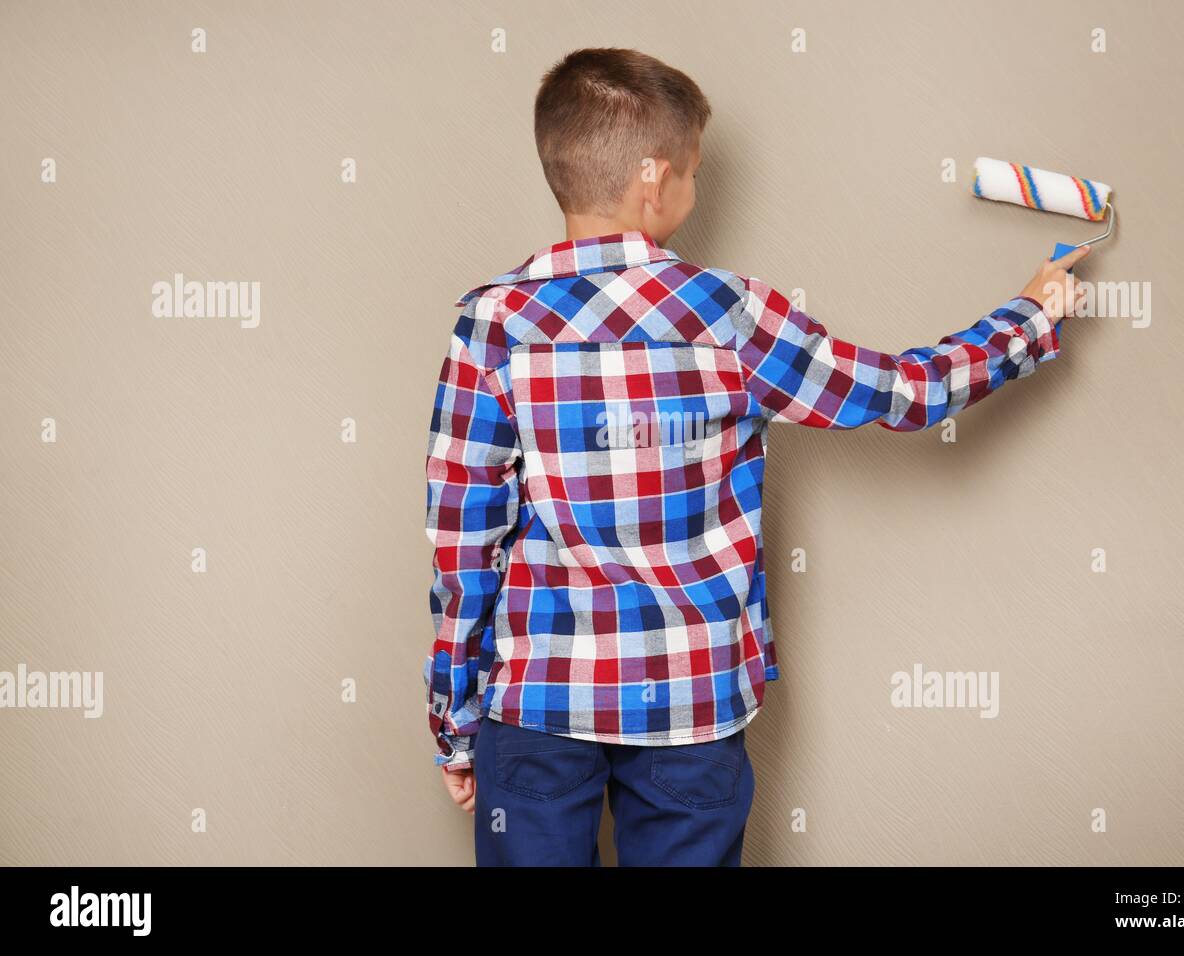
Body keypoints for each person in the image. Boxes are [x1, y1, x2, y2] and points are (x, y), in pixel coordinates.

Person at [424, 47, 1089, 866]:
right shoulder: (733, 318)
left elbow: (463, 543)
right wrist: (1028, 317)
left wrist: (454, 723)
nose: (694, 191)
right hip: (693, 706)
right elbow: (904, 394)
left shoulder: (492, 325)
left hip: (533, 708)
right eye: (694, 173)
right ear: (653, 178)